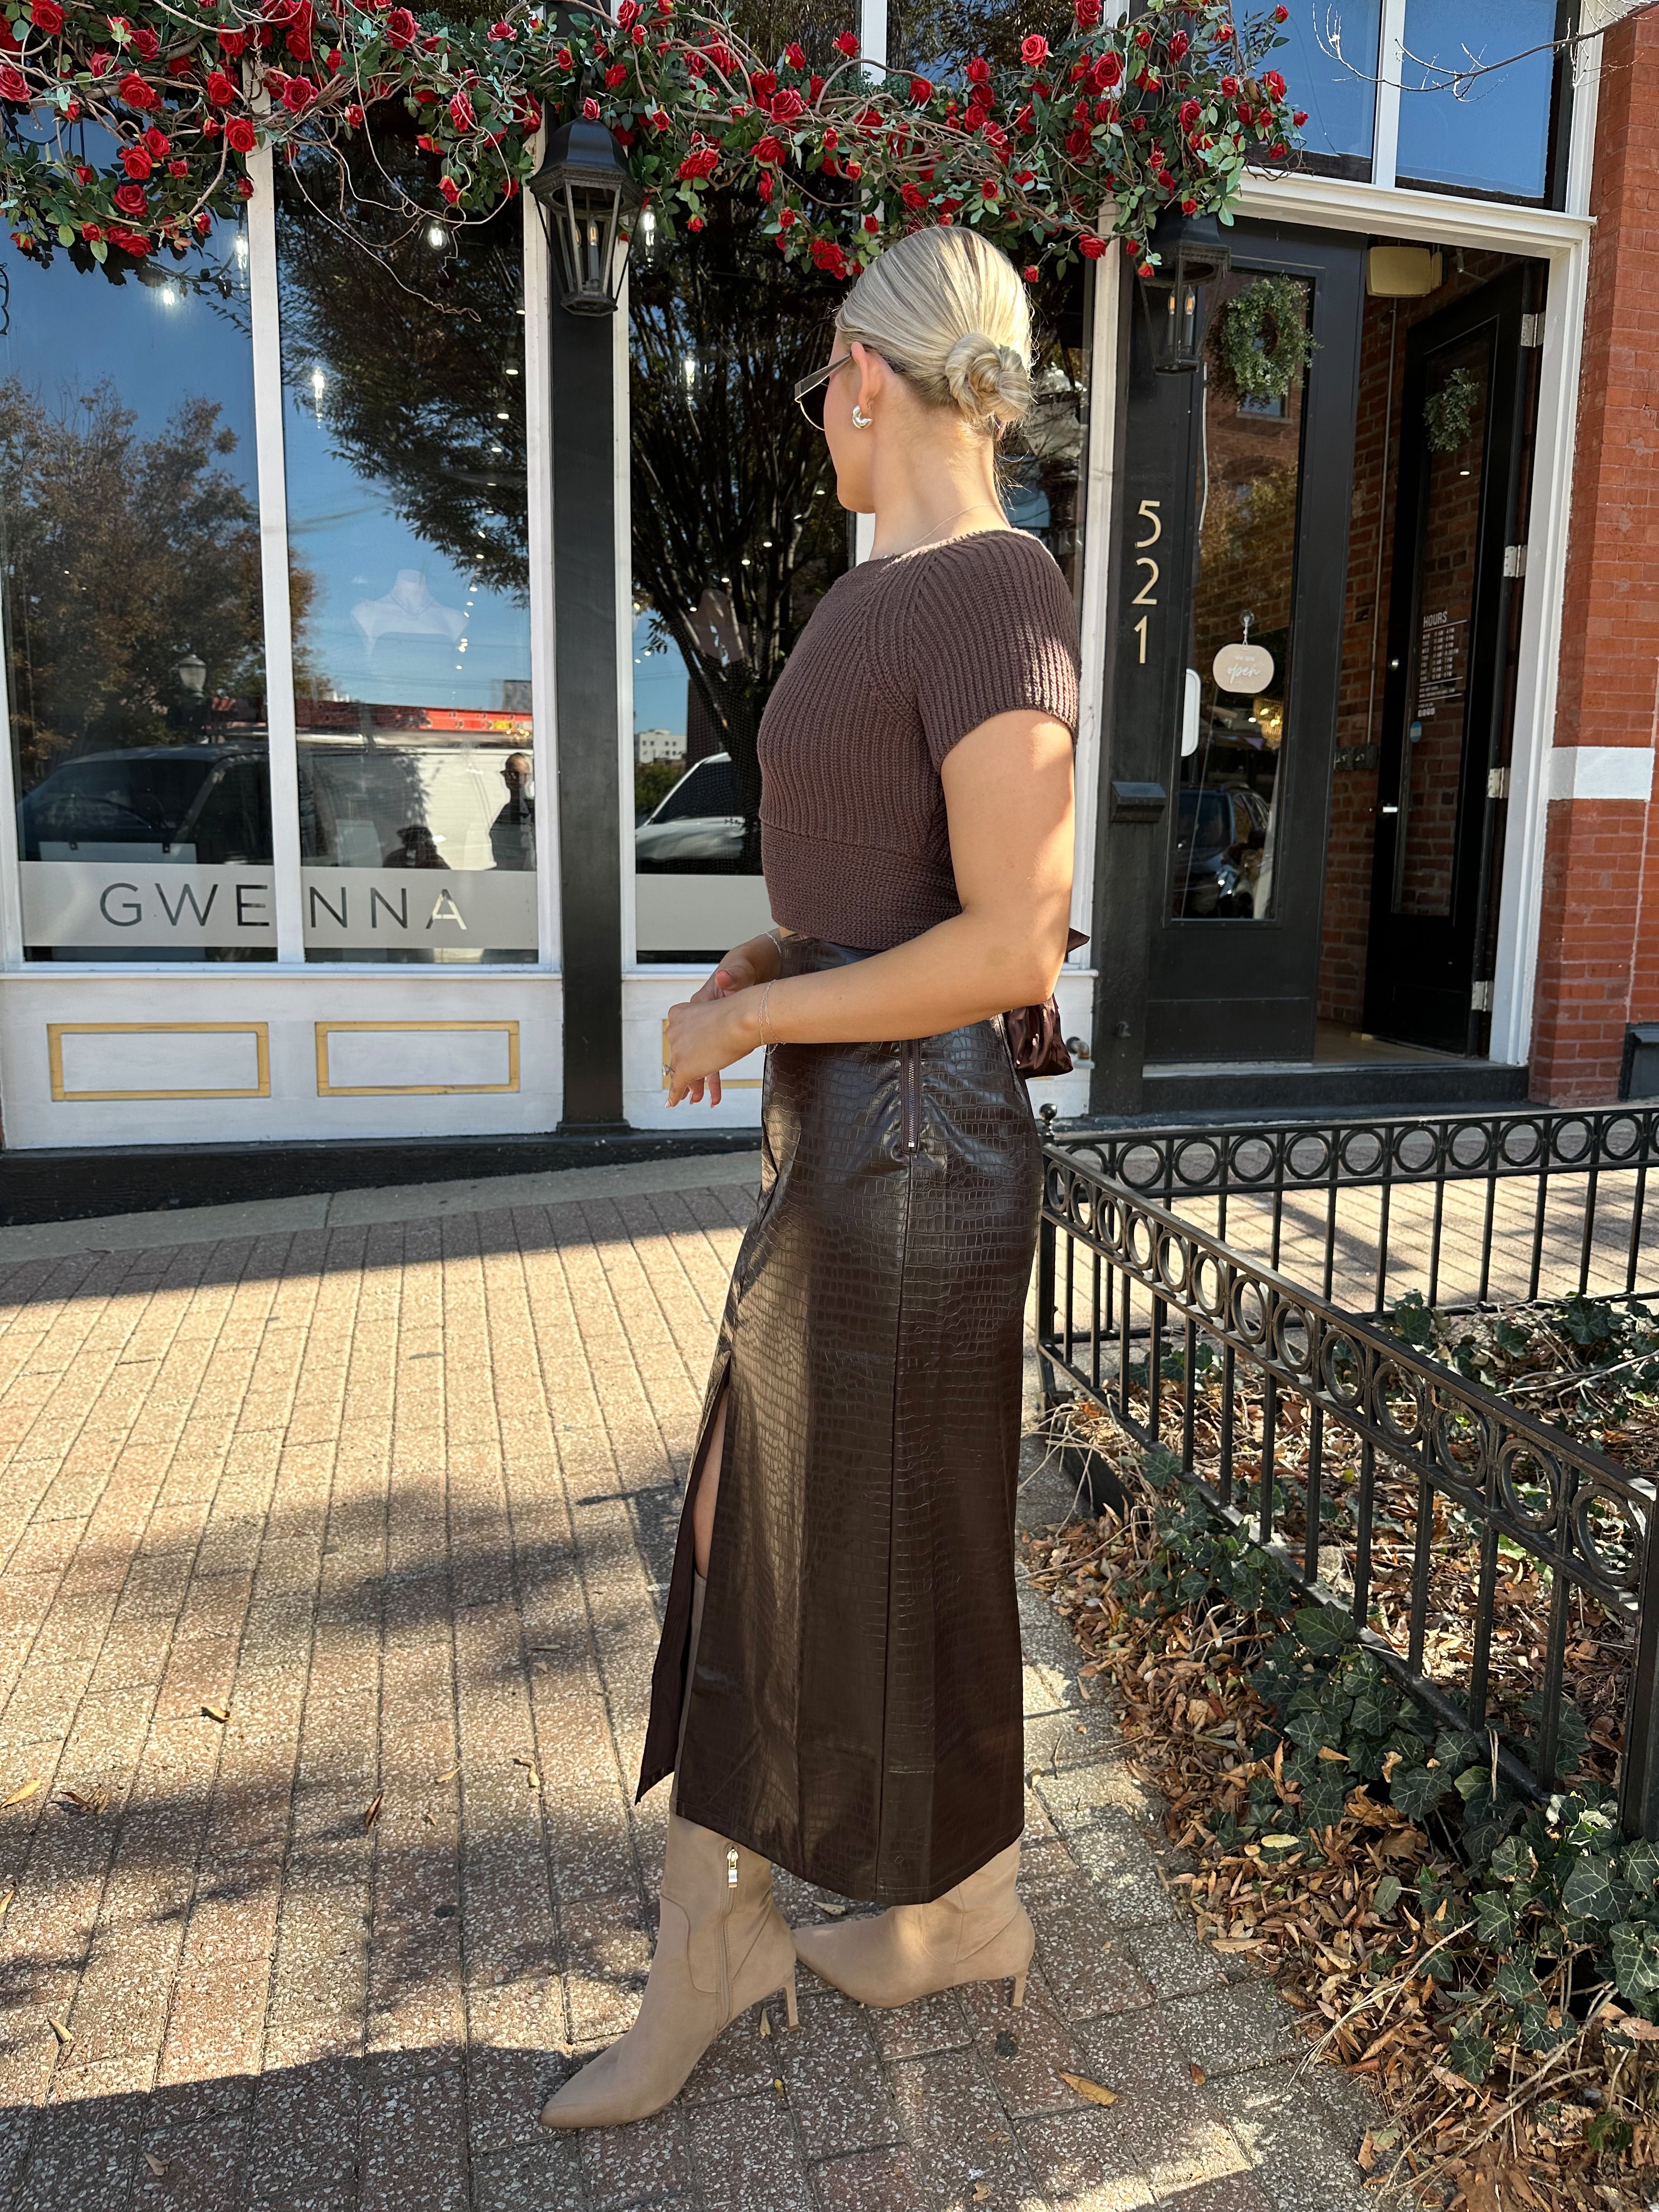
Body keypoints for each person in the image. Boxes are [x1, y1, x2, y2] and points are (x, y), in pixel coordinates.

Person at [541, 225, 1078, 2131]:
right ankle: (963, 1913)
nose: (812, 415)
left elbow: (1012, 942)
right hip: (862, 1127)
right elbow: (887, 892)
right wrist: (769, 961)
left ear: (863, 373)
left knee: (750, 1527)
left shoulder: (997, 589)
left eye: (817, 384)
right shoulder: (890, 592)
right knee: (871, 1528)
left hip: (915, 1142)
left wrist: (770, 1012)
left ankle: (720, 1944)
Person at [489, 749, 535, 870]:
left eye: (516, 773)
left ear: (527, 777)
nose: (511, 778)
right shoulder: (507, 810)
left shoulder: (533, 811)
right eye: (508, 773)